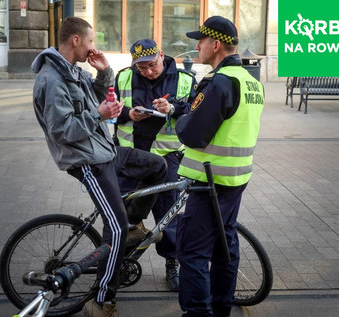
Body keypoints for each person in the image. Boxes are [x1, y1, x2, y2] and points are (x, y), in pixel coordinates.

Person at [31, 17, 167, 317]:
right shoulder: (51, 79)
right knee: (114, 227)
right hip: (87, 161)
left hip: (106, 151)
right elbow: (61, 130)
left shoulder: (71, 71)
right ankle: (102, 300)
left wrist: (104, 72)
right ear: (76, 40)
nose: (94, 47)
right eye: (91, 41)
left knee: (158, 167)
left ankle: (132, 226)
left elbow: (92, 97)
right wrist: (99, 114)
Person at [175, 16, 264, 316]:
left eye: (200, 40)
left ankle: (198, 313)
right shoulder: (251, 81)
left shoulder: (220, 82)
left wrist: (180, 118)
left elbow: (192, 134)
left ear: (215, 45)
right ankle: (222, 307)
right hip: (235, 180)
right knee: (225, 248)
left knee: (193, 254)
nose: (196, 46)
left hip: (208, 182)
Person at [114, 39, 197, 291]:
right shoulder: (124, 77)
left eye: (152, 65)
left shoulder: (184, 79)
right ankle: (120, 264)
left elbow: (195, 111)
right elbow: (108, 109)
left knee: (168, 215)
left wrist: (173, 107)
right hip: (131, 157)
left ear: (162, 55)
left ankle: (172, 264)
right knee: (125, 216)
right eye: (142, 68)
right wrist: (128, 113)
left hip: (166, 158)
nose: (148, 72)